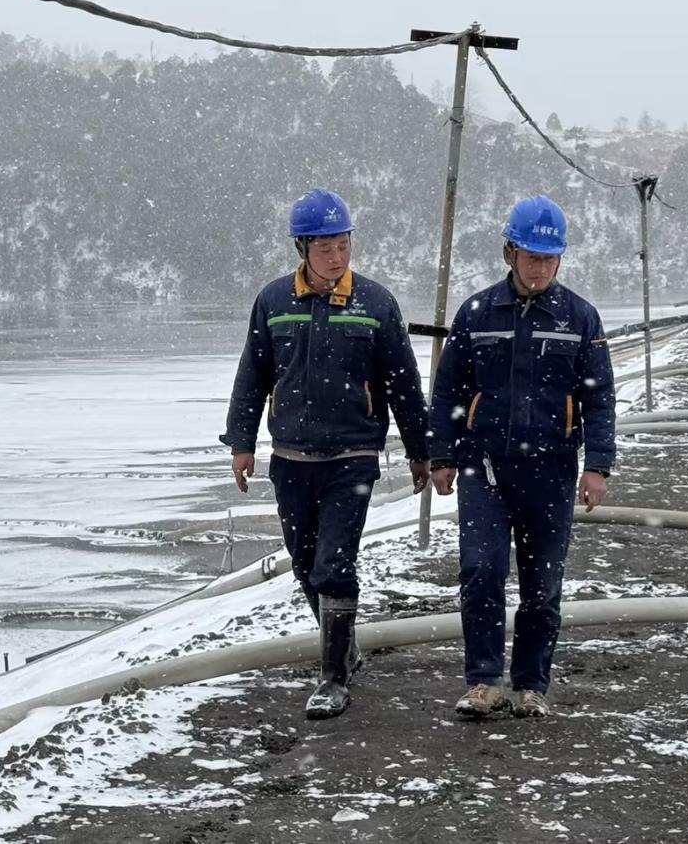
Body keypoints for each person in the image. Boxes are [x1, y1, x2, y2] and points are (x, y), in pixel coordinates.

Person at [221, 188, 431, 719]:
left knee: (335, 565)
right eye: (325, 248)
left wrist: (420, 450)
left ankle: (333, 676)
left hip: (352, 456)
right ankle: (345, 645)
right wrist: (242, 443)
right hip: (290, 457)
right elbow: (253, 377)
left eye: (343, 245)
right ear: (302, 248)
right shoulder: (273, 302)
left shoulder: (375, 303)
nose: (336, 258)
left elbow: (404, 383)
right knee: (304, 563)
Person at [429, 195, 615, 719]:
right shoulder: (477, 313)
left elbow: (600, 396)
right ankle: (483, 681)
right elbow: (447, 391)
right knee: (481, 571)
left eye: (550, 258)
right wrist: (441, 454)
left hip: (551, 469)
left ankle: (532, 684)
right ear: (509, 253)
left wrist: (597, 466)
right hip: (483, 466)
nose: (540, 268)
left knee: (542, 583)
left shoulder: (579, 317)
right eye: (532, 256)